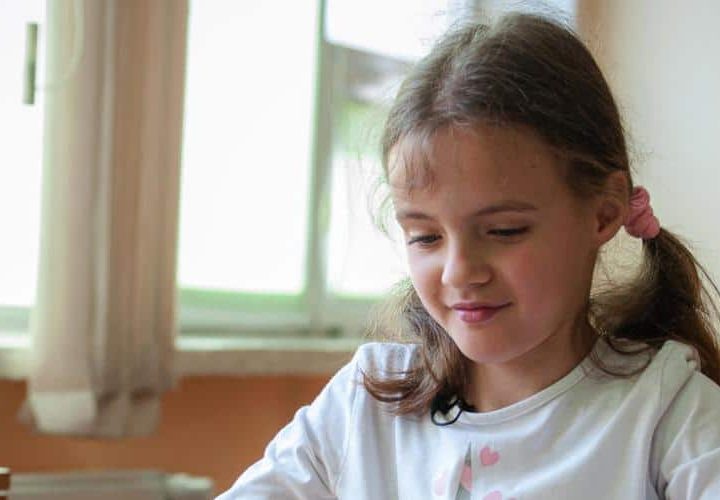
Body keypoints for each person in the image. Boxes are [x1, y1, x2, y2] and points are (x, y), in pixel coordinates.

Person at [217, 12, 720, 499]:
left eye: (504, 231)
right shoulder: (363, 406)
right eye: (425, 237)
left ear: (603, 215)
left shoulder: (669, 416)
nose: (460, 272)